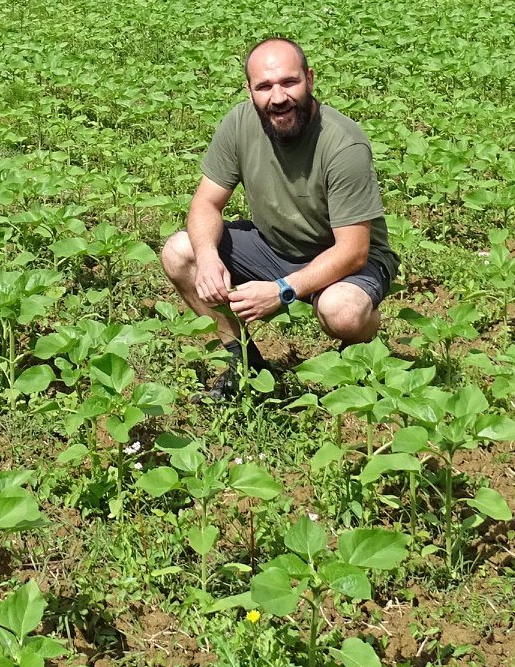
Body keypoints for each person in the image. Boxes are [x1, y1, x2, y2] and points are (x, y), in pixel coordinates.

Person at [160, 37, 400, 398]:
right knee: (181, 252)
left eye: (289, 82)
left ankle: (363, 354)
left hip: (344, 258)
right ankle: (245, 366)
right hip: (274, 247)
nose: (278, 98)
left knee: (342, 311)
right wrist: (208, 258)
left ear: (310, 79)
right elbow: (205, 204)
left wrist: (282, 290)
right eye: (264, 86)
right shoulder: (240, 123)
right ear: (250, 90)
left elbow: (353, 251)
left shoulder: (343, 144)